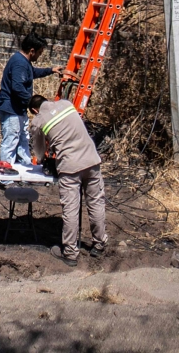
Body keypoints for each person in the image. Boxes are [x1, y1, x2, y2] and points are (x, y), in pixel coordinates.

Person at [28, 93, 108, 266]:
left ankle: (70, 253)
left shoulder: (39, 120)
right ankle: (99, 244)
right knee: (96, 203)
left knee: (71, 209)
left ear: (34, 110)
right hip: (92, 160)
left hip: (70, 166)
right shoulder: (66, 104)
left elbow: (39, 151)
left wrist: (43, 160)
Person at [0, 33, 61, 184]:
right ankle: (5, 177)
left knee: (23, 139)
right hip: (11, 109)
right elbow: (17, 87)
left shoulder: (24, 62)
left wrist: (51, 70)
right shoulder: (19, 63)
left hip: (18, 109)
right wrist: (33, 103)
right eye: (39, 52)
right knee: (11, 140)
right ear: (32, 51)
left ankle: (25, 172)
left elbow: (32, 73)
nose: (39, 55)